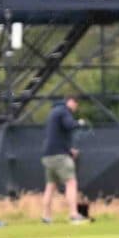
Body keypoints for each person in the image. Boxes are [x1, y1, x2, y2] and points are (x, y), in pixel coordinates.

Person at [40, 95, 84, 224]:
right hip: (60, 156)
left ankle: (46, 216)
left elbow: (57, 136)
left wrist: (69, 150)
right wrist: (79, 123)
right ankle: (73, 214)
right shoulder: (64, 111)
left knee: (50, 186)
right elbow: (69, 125)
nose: (75, 108)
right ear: (70, 101)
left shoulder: (53, 112)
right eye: (76, 104)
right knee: (71, 183)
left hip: (48, 155)